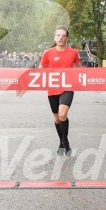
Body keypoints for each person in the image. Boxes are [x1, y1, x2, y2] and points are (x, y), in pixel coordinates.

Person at [17, 25, 80, 157]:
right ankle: (61, 142)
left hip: (67, 87)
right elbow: (39, 71)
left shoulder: (73, 52)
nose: (61, 38)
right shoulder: (48, 52)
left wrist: (96, 83)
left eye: (63, 36)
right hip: (52, 89)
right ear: (54, 38)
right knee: (57, 119)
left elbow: (80, 69)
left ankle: (65, 142)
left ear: (67, 38)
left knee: (63, 115)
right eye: (58, 35)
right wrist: (26, 85)